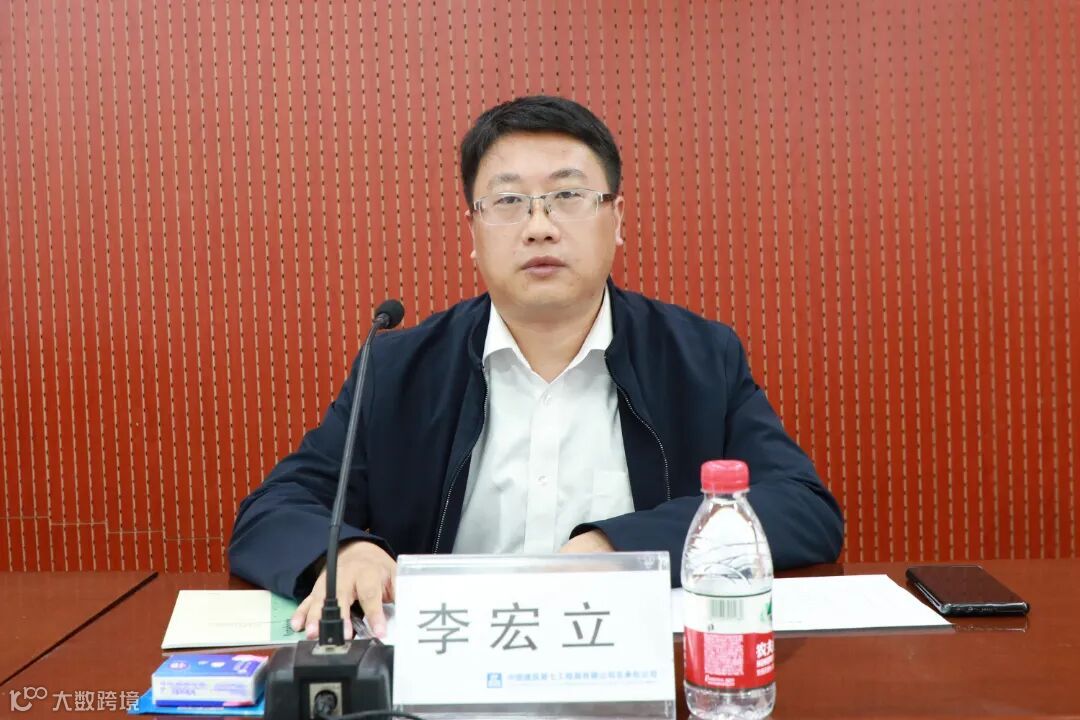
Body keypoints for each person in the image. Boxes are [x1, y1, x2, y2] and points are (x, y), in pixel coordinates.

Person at [228, 95, 844, 640]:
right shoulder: (400, 369)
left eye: (568, 196)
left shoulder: (699, 357)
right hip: (447, 678)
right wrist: (345, 550)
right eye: (508, 202)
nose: (539, 227)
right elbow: (275, 509)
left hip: (635, 672)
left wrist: (618, 546)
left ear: (617, 219)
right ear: (473, 231)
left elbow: (802, 508)